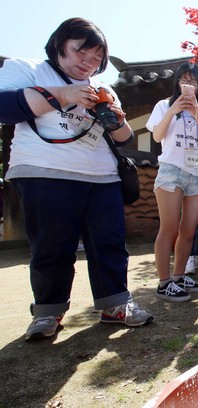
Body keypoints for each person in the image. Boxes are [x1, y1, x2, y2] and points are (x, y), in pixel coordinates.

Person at [0, 18, 153, 340]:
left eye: (97, 58)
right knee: (52, 246)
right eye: (81, 52)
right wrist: (64, 94)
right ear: (59, 45)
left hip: (102, 176)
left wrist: (117, 120)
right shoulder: (26, 69)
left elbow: (123, 139)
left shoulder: (104, 89)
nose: (89, 63)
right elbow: (6, 109)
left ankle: (115, 304)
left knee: (110, 243)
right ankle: (48, 312)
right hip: (44, 172)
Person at [146, 62, 198, 301]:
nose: (188, 86)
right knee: (169, 227)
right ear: (177, 83)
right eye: (184, 80)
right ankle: (164, 283)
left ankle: (179, 276)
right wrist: (173, 110)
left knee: (189, 230)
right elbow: (157, 135)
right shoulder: (164, 105)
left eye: (193, 81)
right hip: (172, 169)